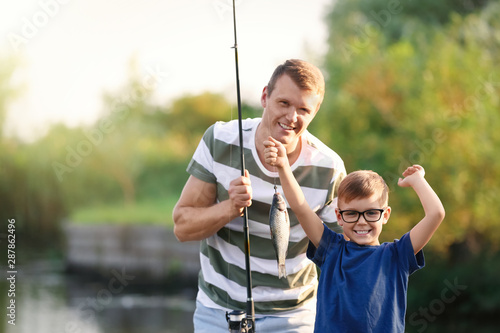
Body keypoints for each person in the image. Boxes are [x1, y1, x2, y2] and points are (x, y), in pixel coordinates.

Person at [172, 59, 346, 332]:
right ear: (265, 96)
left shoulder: (328, 167)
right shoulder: (220, 139)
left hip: (293, 315)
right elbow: (182, 227)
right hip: (219, 311)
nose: (292, 117)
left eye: (303, 109)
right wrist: (230, 207)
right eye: (284, 103)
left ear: (316, 110)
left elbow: (341, 252)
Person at [264, 136, 445, 332]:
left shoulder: (397, 255)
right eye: (351, 213)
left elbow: (436, 214)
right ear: (339, 217)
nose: (361, 221)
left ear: (386, 215)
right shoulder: (331, 250)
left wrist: (418, 181)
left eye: (371, 213)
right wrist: (283, 167)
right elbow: (301, 208)